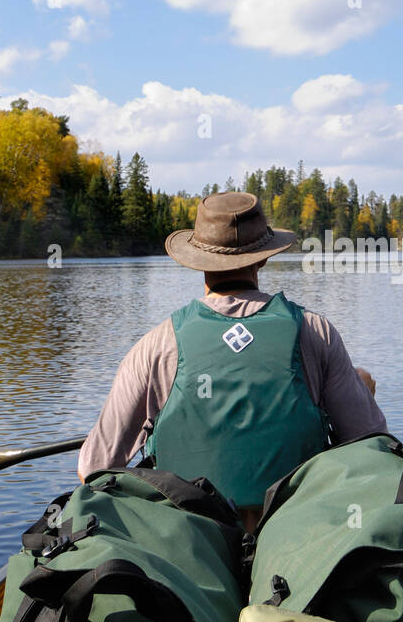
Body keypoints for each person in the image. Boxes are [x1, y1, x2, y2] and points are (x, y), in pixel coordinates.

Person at [78, 191, 385, 533]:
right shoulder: (317, 333)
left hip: (193, 544)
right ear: (264, 258)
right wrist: (363, 392)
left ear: (197, 259)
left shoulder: (153, 347)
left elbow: (95, 470)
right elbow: (370, 445)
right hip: (297, 535)